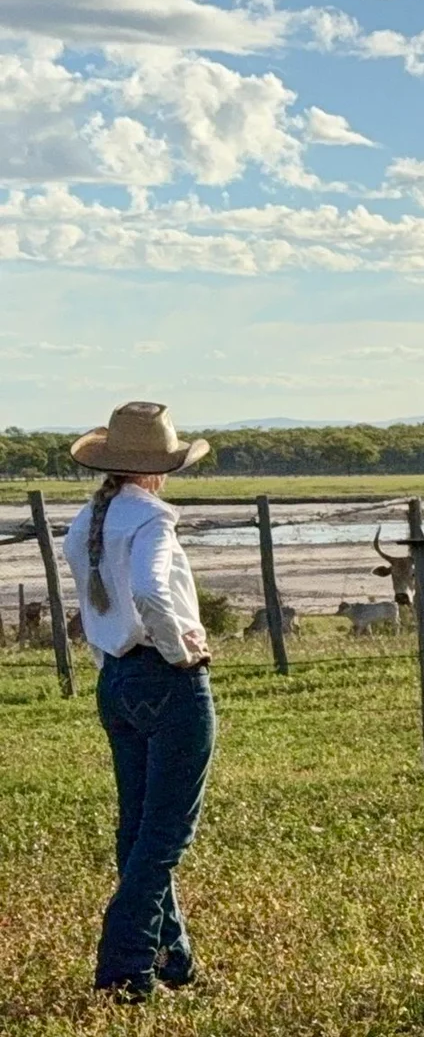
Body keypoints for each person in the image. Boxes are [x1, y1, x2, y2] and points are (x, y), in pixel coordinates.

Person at [61, 402, 215, 1002]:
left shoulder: (90, 518)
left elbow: (96, 603)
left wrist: (110, 656)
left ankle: (173, 958)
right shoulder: (150, 517)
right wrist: (179, 650)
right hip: (165, 679)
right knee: (164, 837)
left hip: (117, 679)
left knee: (138, 829)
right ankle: (126, 970)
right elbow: (151, 590)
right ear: (157, 468)